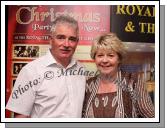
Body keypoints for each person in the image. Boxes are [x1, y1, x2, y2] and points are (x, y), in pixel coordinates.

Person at [6, 15, 86, 118]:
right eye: (61, 37)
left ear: (77, 42)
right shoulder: (31, 71)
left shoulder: (81, 69)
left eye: (72, 39)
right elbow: (20, 117)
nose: (66, 44)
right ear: (50, 40)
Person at [82, 33, 155, 118]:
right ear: (94, 58)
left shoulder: (132, 82)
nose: (105, 60)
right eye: (100, 55)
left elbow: (151, 117)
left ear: (119, 59)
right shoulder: (87, 85)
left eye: (110, 55)